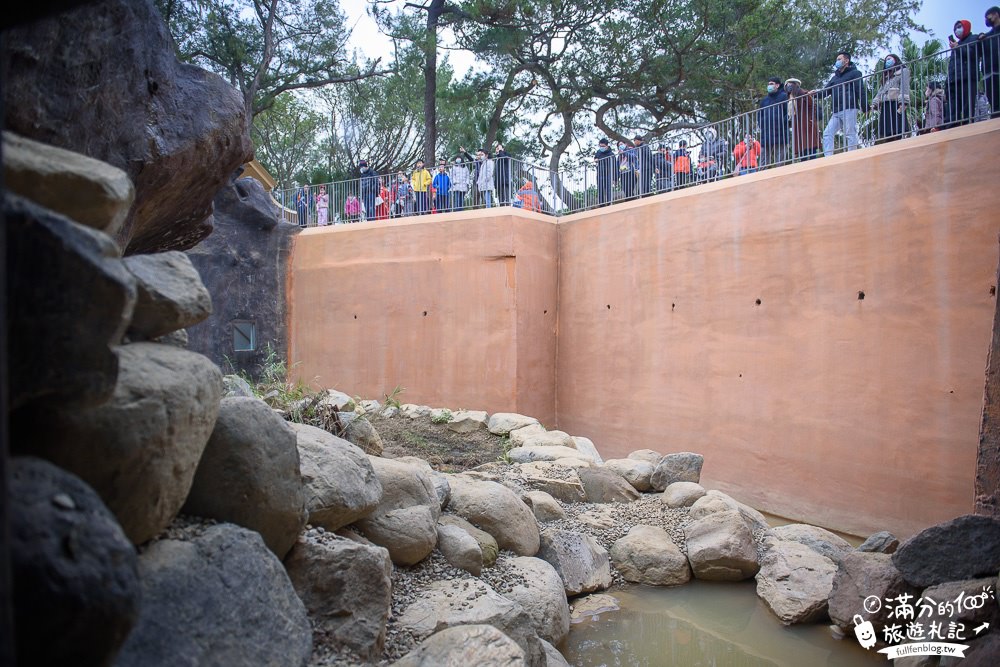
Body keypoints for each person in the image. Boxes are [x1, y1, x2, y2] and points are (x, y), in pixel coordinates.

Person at [817, 51, 864, 156]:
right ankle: (828, 158)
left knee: (849, 133)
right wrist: (813, 94)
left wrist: (865, 107)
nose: (837, 61)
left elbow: (860, 90)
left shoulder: (855, 73)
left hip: (849, 107)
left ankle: (852, 156)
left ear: (846, 61)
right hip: (836, 111)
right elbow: (825, 92)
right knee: (827, 133)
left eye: (839, 59)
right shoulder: (835, 78)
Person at [947, 19, 979, 128]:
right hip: (954, 80)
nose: (957, 30)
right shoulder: (956, 44)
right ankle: (952, 129)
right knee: (953, 109)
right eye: (955, 29)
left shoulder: (974, 38)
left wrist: (958, 48)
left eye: (959, 27)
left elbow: (972, 54)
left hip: (968, 77)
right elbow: (951, 64)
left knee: (967, 107)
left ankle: (967, 128)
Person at [871, 54, 911, 142]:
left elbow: (904, 87)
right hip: (886, 104)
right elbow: (880, 91)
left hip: (895, 102)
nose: (887, 61)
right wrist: (874, 103)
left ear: (895, 59)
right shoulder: (886, 76)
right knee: (887, 130)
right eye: (886, 60)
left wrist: (903, 102)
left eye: (889, 59)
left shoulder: (903, 71)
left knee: (897, 127)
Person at [757, 76, 789, 167]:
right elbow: (760, 115)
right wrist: (762, 125)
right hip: (766, 133)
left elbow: (788, 112)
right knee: (763, 159)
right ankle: (762, 177)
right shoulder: (764, 101)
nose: (769, 86)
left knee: (780, 159)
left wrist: (783, 122)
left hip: (780, 132)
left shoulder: (784, 96)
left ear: (777, 85)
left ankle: (779, 176)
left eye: (771, 84)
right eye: (768, 84)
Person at [785, 78, 820, 160]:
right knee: (801, 146)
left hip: (806, 123)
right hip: (797, 125)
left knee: (810, 145)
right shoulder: (789, 97)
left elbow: (811, 106)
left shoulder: (803, 94)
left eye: (790, 84)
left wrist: (808, 95)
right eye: (787, 85)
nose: (788, 86)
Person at [981, 7, 1000, 117]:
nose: (986, 19)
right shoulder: (987, 36)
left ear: (996, 14)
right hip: (988, 73)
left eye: (988, 16)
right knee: (994, 104)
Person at [594, 138, 616, 205]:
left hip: (608, 174)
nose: (601, 148)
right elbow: (595, 158)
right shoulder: (598, 152)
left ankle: (609, 203)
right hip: (600, 174)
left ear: (607, 146)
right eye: (600, 146)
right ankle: (601, 204)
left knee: (608, 189)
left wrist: (614, 178)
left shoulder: (611, 154)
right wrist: (595, 159)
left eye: (603, 146)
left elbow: (614, 166)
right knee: (600, 189)